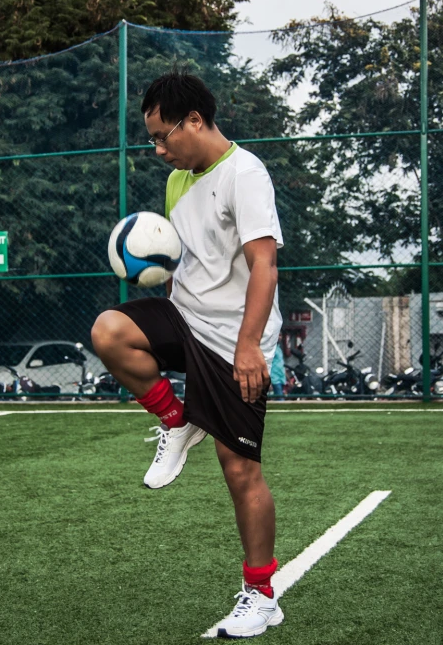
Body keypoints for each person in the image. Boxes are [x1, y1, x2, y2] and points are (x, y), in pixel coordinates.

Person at [91, 70, 284, 639]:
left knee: (240, 468)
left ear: (195, 121)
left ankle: (261, 595)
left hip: (233, 341)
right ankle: (176, 422)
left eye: (162, 136)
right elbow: (186, 258)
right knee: (109, 330)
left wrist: (249, 346)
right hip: (186, 317)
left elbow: (264, 266)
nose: (157, 149)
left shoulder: (245, 174)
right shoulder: (180, 179)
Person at [269, 334, 286, 400]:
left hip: (281, 377)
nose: (279, 337)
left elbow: (282, 364)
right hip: (274, 378)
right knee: (280, 398)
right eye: (278, 335)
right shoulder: (271, 349)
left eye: (281, 335)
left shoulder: (279, 349)